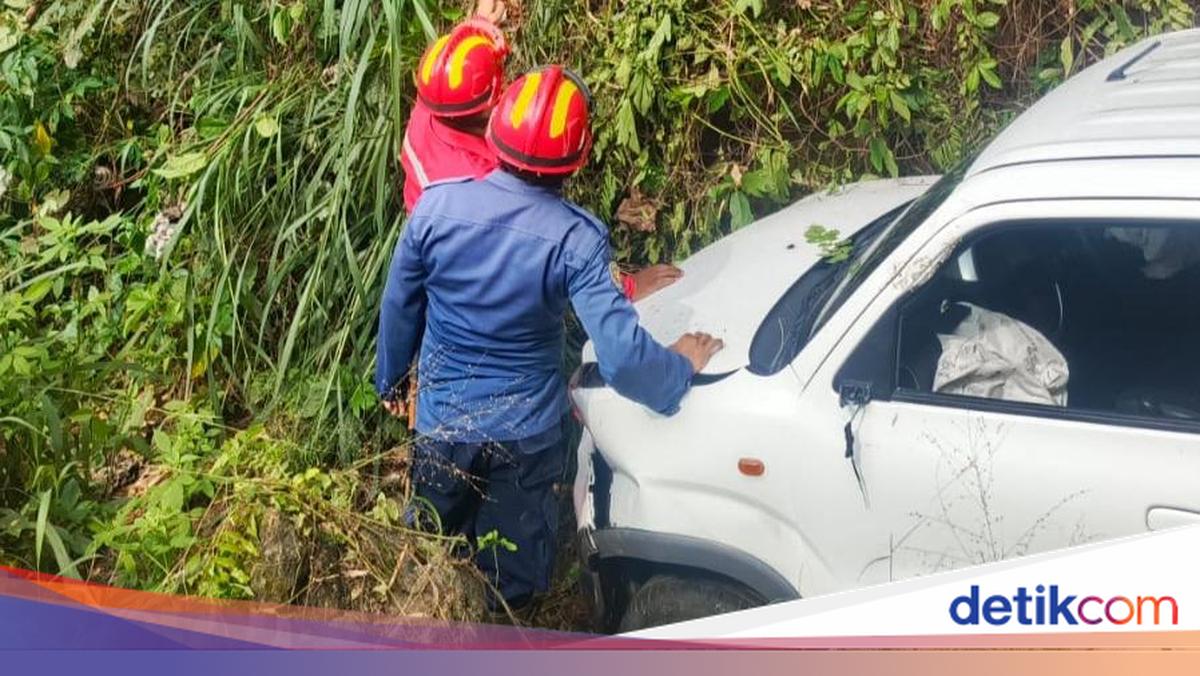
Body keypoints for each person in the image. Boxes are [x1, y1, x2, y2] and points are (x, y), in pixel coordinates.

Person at [376, 65, 724, 610]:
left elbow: (400, 306)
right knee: (512, 586)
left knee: (427, 558)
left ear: (495, 130)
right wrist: (678, 366)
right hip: (525, 438)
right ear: (577, 159)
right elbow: (622, 358)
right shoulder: (576, 239)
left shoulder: (437, 208)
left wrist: (392, 380)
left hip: (443, 424)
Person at [400, 9, 679, 301]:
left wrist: (481, 25)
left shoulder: (434, 103)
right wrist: (627, 289)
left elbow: (451, 70)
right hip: (473, 268)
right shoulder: (480, 186)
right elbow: (549, 237)